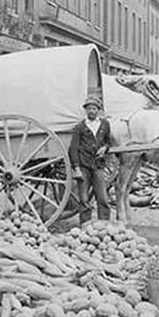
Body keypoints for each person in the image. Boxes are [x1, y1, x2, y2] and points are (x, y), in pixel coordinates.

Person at [69, 96, 112, 224]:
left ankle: (104, 225)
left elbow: (108, 141)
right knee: (84, 198)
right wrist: (76, 168)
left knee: (103, 197)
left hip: (98, 166)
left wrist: (105, 148)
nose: (91, 111)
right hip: (83, 166)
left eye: (94, 108)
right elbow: (73, 148)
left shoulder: (104, 124)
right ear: (86, 111)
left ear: (98, 110)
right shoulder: (80, 127)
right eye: (89, 109)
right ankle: (85, 225)